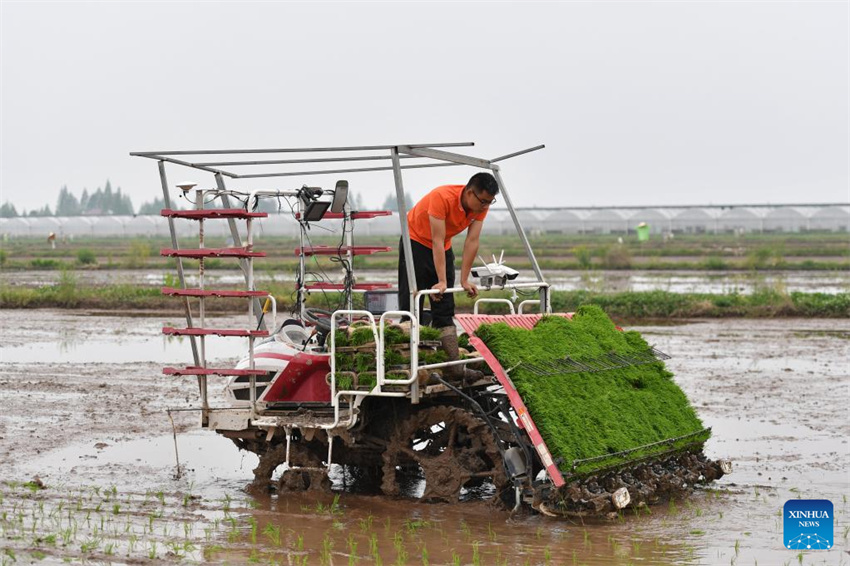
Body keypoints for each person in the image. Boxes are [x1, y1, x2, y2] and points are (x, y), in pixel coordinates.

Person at [397, 172, 499, 380]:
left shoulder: (480, 206)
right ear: (470, 193)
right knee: (412, 303)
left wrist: (463, 279)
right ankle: (410, 364)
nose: (485, 206)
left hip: (443, 247)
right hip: (415, 242)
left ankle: (453, 368)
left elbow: (472, 241)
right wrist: (441, 280)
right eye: (483, 201)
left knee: (444, 306)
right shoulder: (441, 197)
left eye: (490, 202)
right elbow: (436, 239)